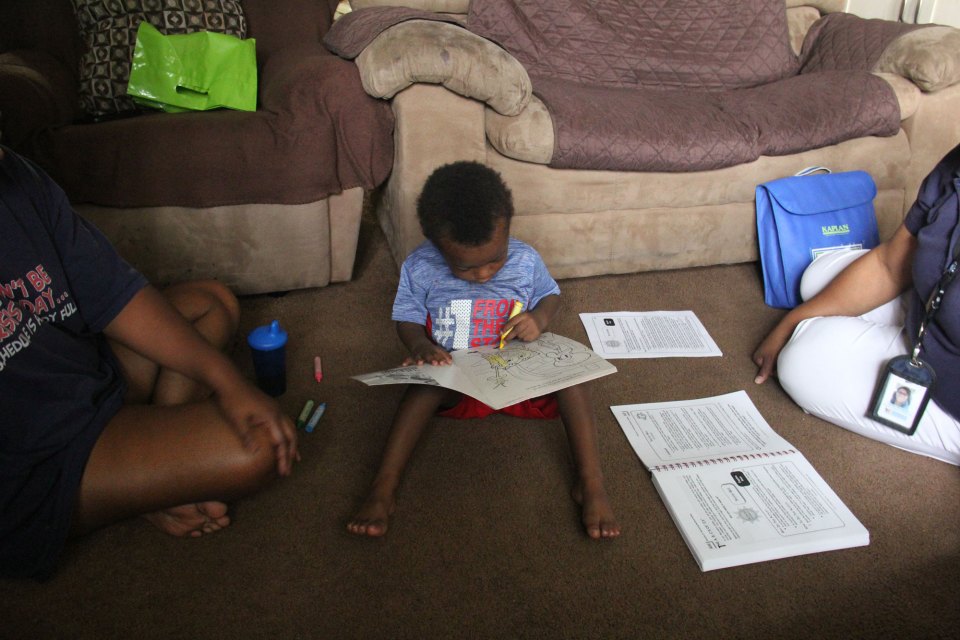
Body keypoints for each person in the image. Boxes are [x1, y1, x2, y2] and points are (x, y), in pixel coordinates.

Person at [0, 145, 299, 580]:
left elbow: (115, 296)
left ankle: (148, 470)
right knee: (257, 450)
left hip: (83, 374)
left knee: (210, 302)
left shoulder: (19, 175)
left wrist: (228, 381)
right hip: (40, 457)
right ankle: (138, 485)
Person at [347, 161, 621, 539]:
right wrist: (421, 345)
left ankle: (590, 483)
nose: (484, 274)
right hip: (456, 379)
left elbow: (550, 295)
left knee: (576, 380)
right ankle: (383, 488)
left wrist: (539, 319)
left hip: (519, 374)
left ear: (508, 230)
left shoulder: (525, 259)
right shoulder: (419, 267)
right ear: (437, 247)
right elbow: (407, 319)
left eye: (496, 259)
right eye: (466, 268)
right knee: (421, 390)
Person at [753, 144, 960, 466]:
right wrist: (794, 318)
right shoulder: (955, 165)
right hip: (937, 312)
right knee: (819, 276)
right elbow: (890, 264)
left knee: (803, 360)